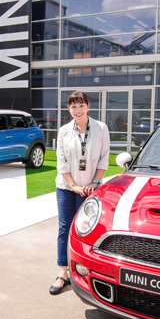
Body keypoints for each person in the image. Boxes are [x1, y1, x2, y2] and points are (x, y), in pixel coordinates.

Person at [50, 91, 110, 295]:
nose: (77, 110)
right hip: (67, 188)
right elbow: (61, 162)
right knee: (65, 229)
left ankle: (86, 271)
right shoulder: (64, 131)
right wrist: (73, 185)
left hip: (90, 189)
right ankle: (62, 273)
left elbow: (104, 158)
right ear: (69, 109)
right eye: (73, 106)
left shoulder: (101, 128)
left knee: (87, 230)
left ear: (88, 106)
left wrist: (95, 182)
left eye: (81, 105)